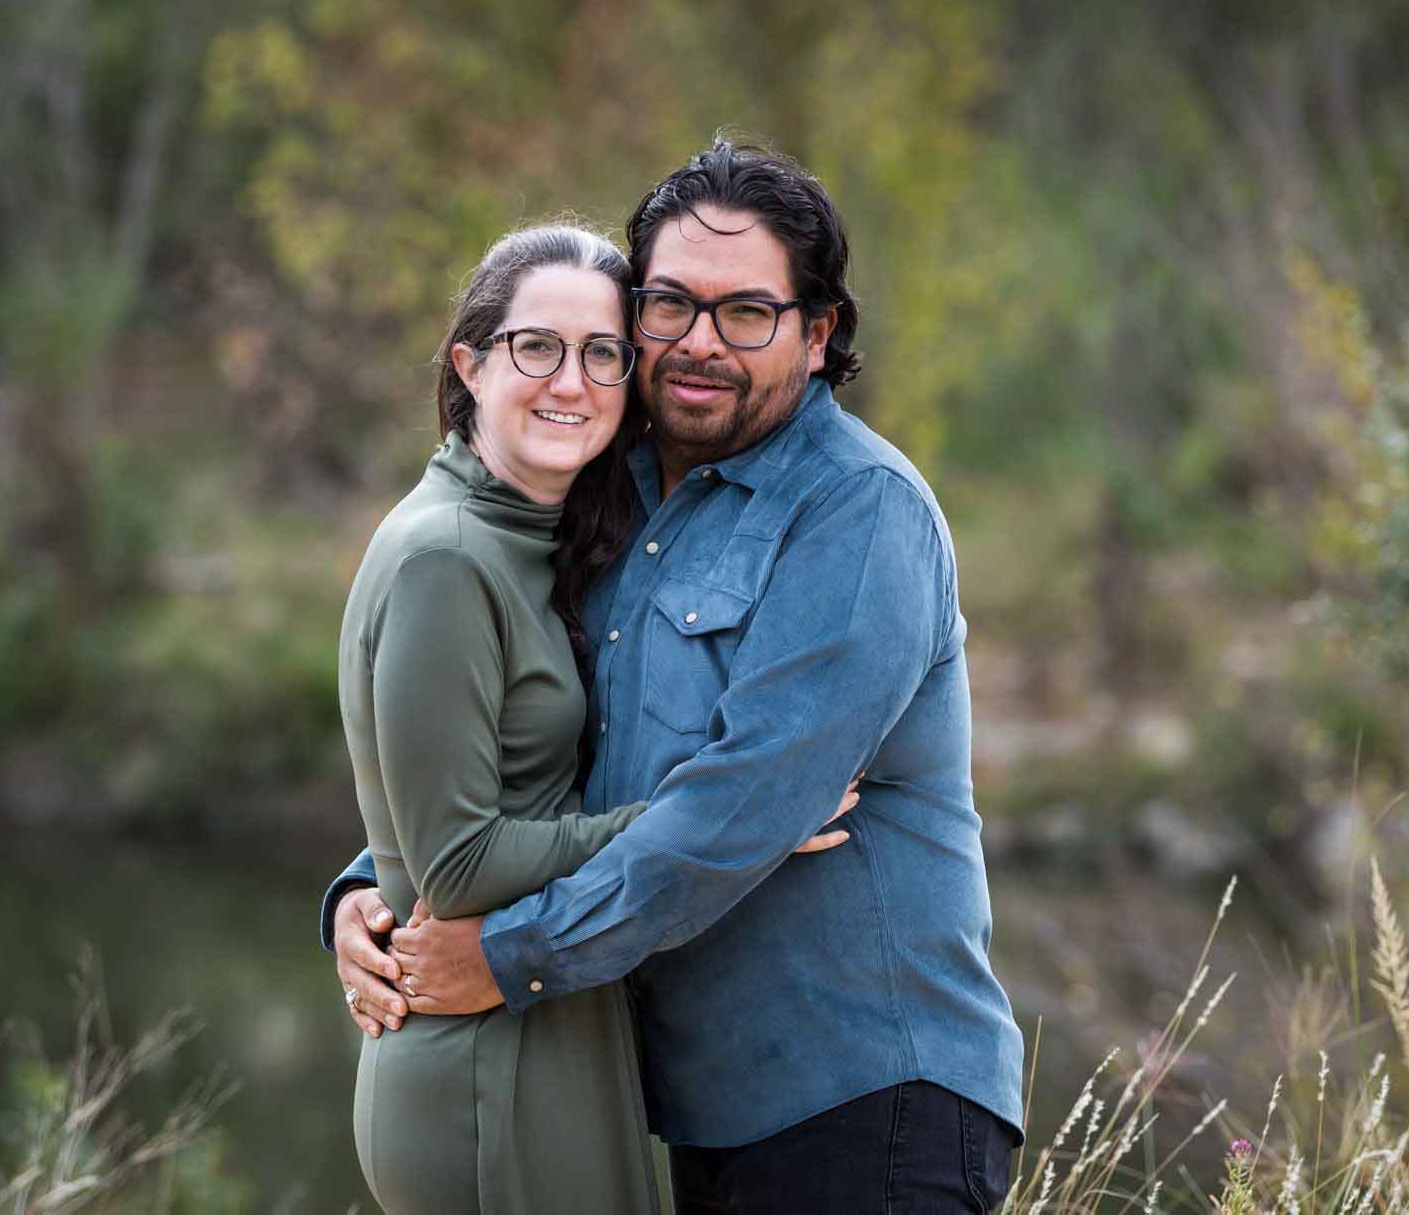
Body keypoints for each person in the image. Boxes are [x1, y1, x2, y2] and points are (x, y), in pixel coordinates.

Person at [327, 143, 1027, 1214]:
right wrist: (373, 891)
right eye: (669, 306)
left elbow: (731, 815)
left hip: (863, 1100)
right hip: (693, 1102)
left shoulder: (858, 515)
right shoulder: (614, 497)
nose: (699, 343)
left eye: (744, 311)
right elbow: (528, 760)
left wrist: (501, 955)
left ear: (817, 332)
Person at [331, 222, 855, 1215]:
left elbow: (464, 793)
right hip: (488, 1059)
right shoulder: (445, 556)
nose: (568, 381)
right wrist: (727, 813)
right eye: (535, 346)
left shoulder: (545, 541)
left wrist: (356, 890)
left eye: (602, 353)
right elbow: (451, 865)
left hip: (547, 1028)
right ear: (470, 363)